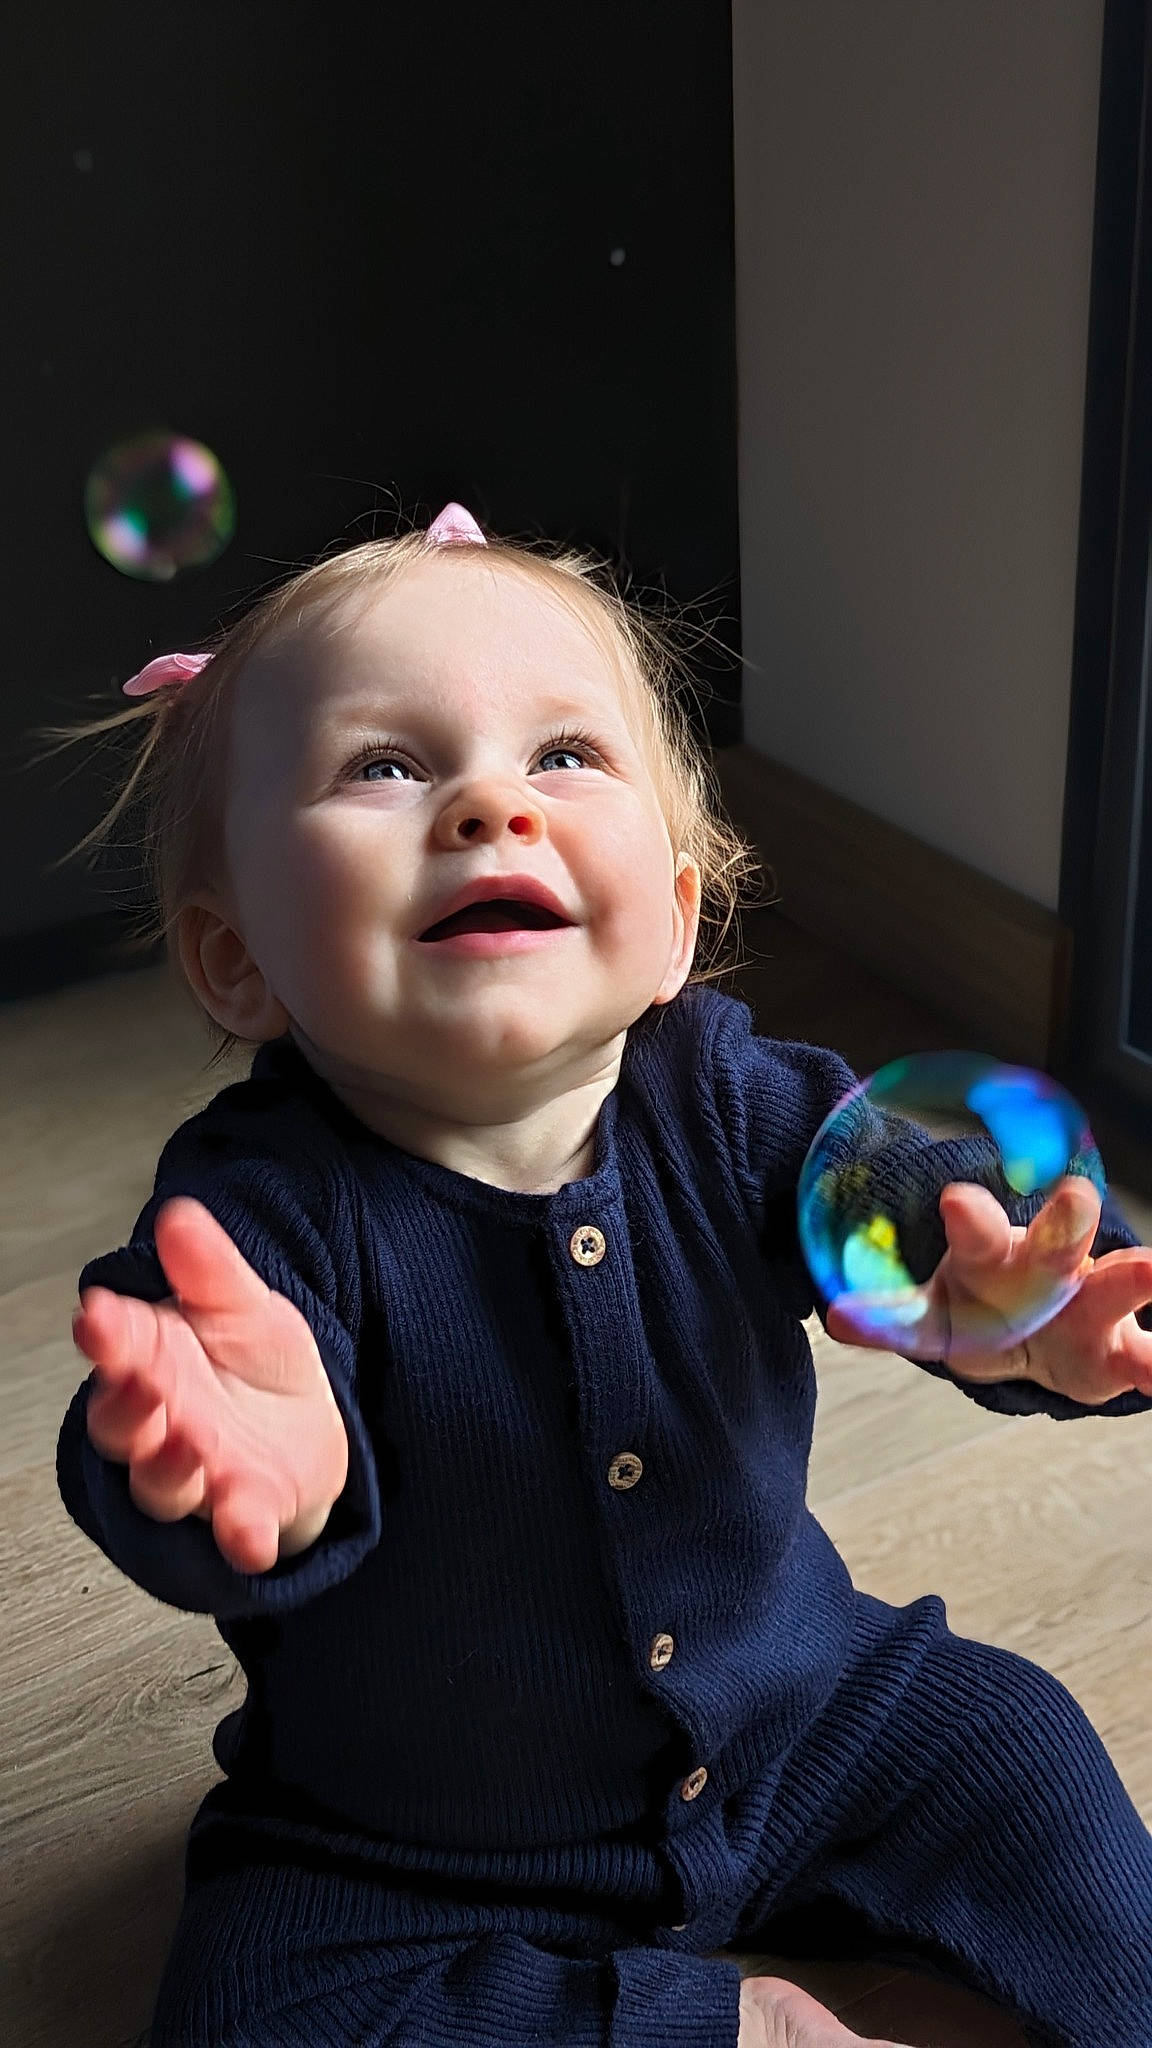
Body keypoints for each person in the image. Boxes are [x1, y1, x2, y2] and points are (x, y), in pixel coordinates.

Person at [53, 504, 1152, 2048]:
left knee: (1016, 1748)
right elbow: (180, 1418)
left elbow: (943, 1236)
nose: (491, 805)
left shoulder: (739, 1096)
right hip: (412, 1843)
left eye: (564, 754)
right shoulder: (253, 1211)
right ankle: (736, 2028)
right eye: (384, 765)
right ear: (238, 963)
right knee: (249, 2012)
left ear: (677, 924)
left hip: (807, 1723)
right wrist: (240, 1479)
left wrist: (1018, 1319)